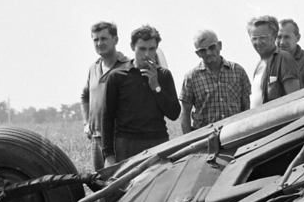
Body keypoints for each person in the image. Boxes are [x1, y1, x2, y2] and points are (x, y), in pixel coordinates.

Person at [100, 26, 180, 164]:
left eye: (152, 49)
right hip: (127, 145)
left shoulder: (164, 75)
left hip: (158, 142)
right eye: (142, 49)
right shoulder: (117, 76)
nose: (147, 54)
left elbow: (174, 113)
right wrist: (108, 155)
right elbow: (107, 118)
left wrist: (156, 86)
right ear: (132, 47)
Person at [179, 29, 251, 132]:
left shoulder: (238, 71)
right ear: (198, 54)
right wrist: (189, 142)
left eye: (211, 47)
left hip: (235, 134)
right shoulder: (191, 78)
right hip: (204, 139)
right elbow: (185, 114)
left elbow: (246, 106)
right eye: (202, 50)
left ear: (220, 45)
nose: (208, 53)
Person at [80, 21, 130, 169]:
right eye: (95, 39)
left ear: (115, 40)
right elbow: (84, 96)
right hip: (97, 137)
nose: (99, 43)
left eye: (103, 38)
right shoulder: (93, 68)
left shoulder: (127, 66)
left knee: (121, 182)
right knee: (99, 182)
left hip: (120, 137)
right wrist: (86, 123)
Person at [247, 15, 303, 107]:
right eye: (254, 38)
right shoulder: (258, 66)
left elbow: (295, 101)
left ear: (275, 36)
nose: (258, 42)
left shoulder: (285, 59)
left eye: (263, 37)